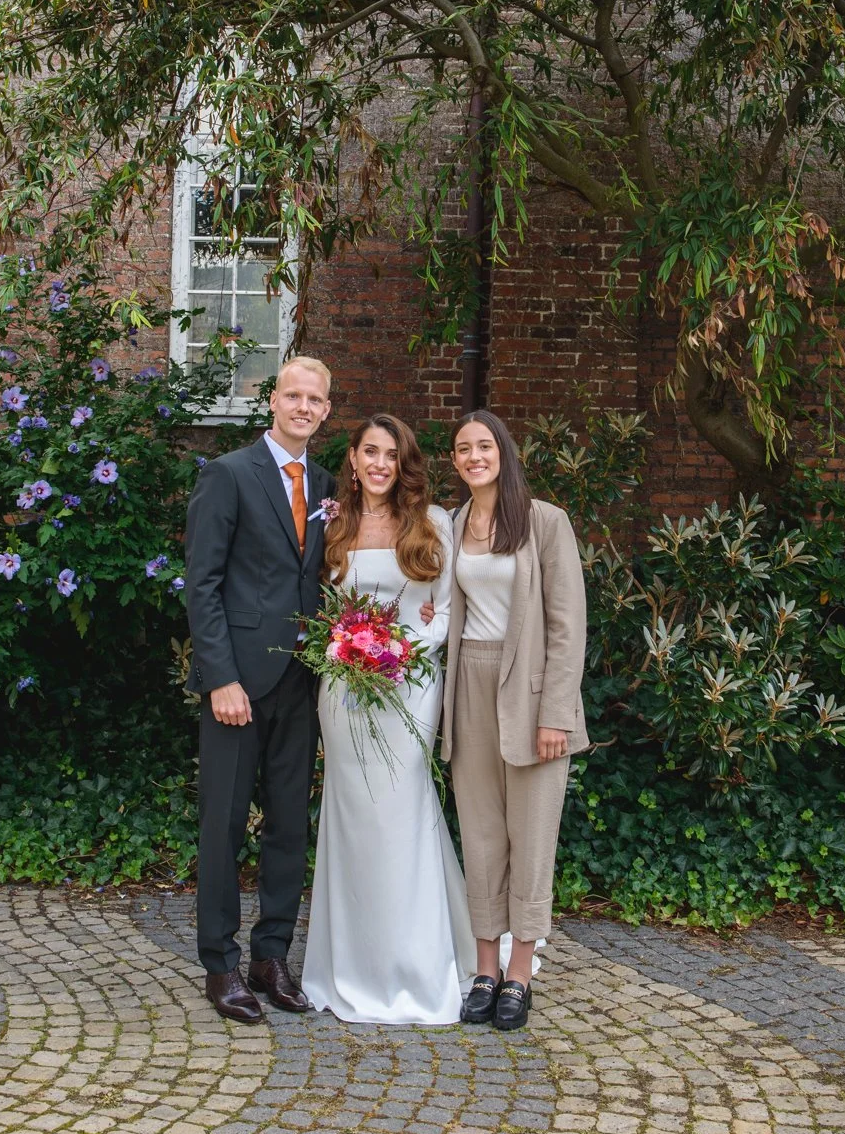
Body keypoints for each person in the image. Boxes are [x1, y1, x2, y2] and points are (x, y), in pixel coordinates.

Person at [302, 415, 475, 1024]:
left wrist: (396, 652)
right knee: (352, 818)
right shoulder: (331, 523)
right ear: (352, 459)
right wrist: (346, 652)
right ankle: (350, 965)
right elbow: (320, 606)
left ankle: (415, 968)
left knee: (401, 811)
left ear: (405, 465)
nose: (380, 464)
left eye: (391, 455)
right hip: (343, 689)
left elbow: (444, 611)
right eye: (370, 452)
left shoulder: (434, 523)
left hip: (410, 685)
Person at [183, 357, 336, 1024]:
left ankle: (270, 957)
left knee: (288, 827)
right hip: (238, 684)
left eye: (315, 399)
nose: (303, 407)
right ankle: (219, 964)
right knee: (222, 826)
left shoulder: (326, 485)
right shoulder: (227, 475)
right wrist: (220, 677)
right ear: (272, 400)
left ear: (326, 410)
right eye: (293, 395)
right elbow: (203, 583)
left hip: (302, 680)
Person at [441, 409, 587, 1032]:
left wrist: (556, 714)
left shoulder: (544, 521)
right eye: (462, 449)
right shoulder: (452, 524)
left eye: (484, 445)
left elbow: (568, 625)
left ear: (503, 451)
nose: (474, 456)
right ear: (454, 461)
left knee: (530, 837)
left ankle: (520, 973)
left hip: (530, 692)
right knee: (481, 835)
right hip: (468, 688)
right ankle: (485, 969)